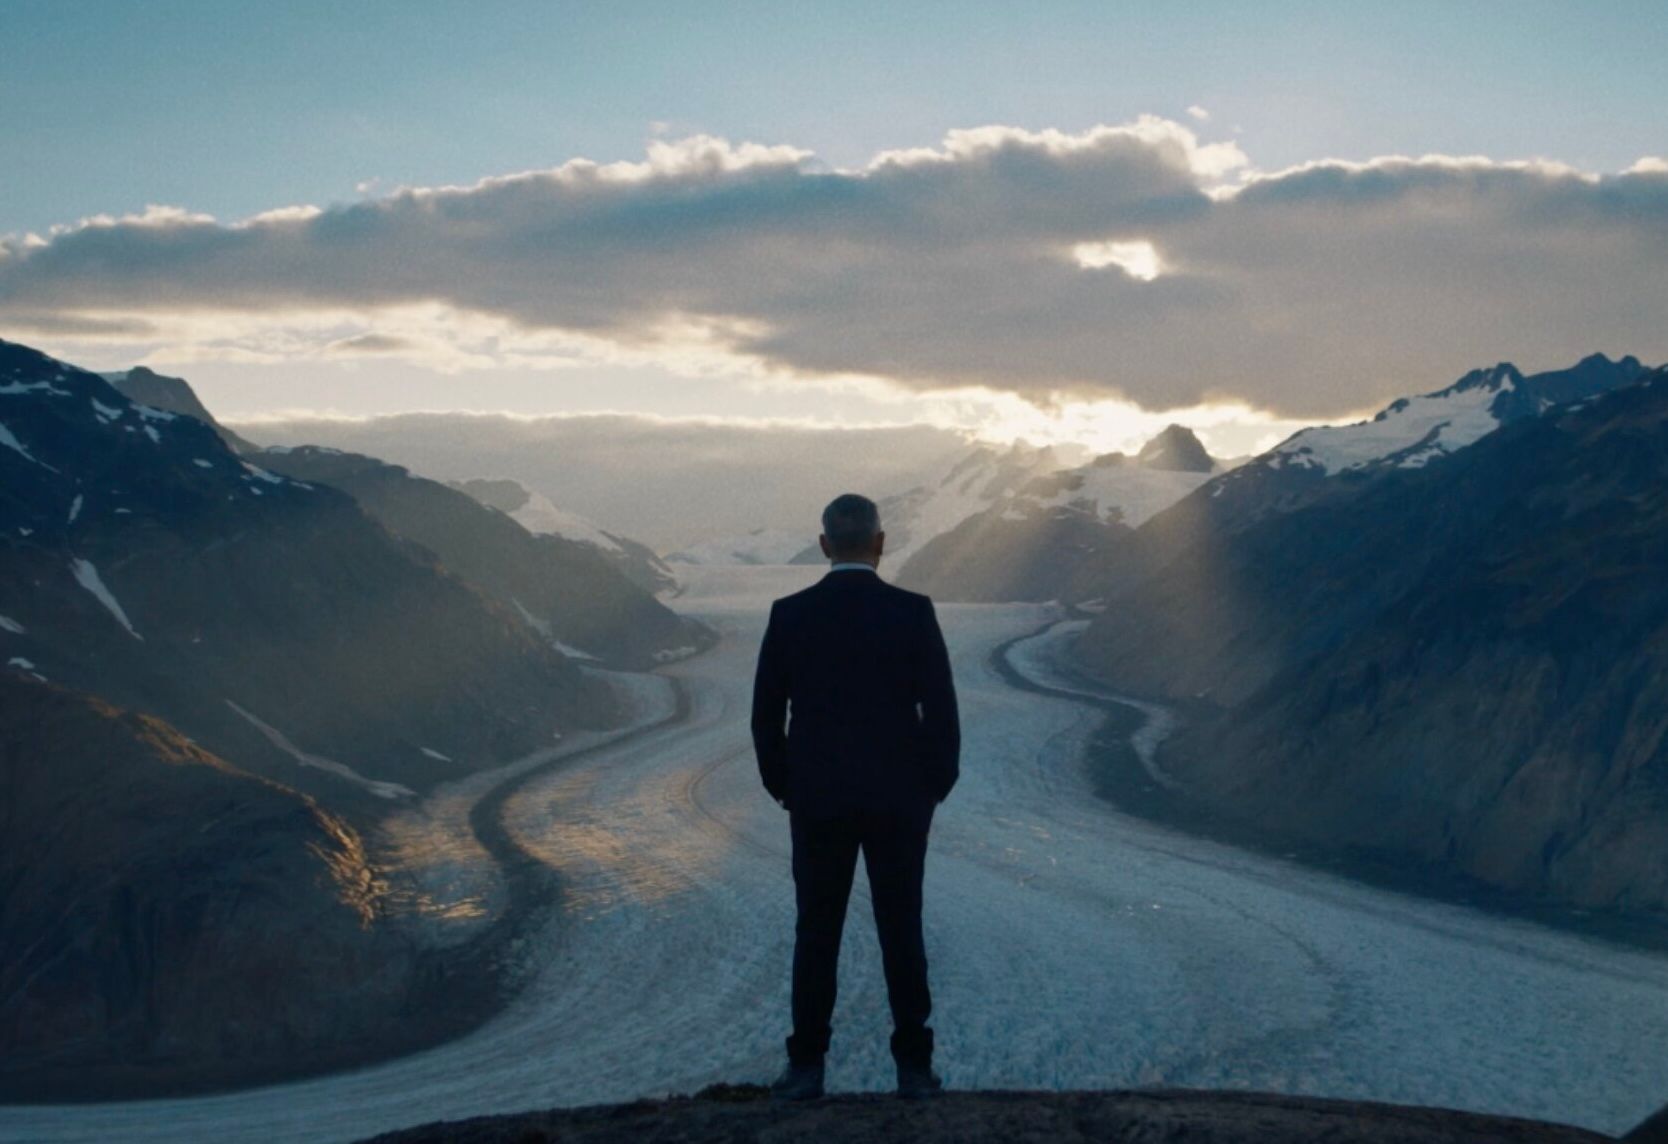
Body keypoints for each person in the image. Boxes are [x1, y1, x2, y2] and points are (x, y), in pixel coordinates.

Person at [751, 492, 961, 1101]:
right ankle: (914, 1070)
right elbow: (941, 712)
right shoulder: (913, 611)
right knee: (902, 928)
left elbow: (766, 715)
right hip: (899, 801)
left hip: (818, 800)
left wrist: (787, 788)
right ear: (880, 542)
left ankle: (806, 1067)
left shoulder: (790, 615)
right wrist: (930, 788)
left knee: (817, 930)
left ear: (824, 545)